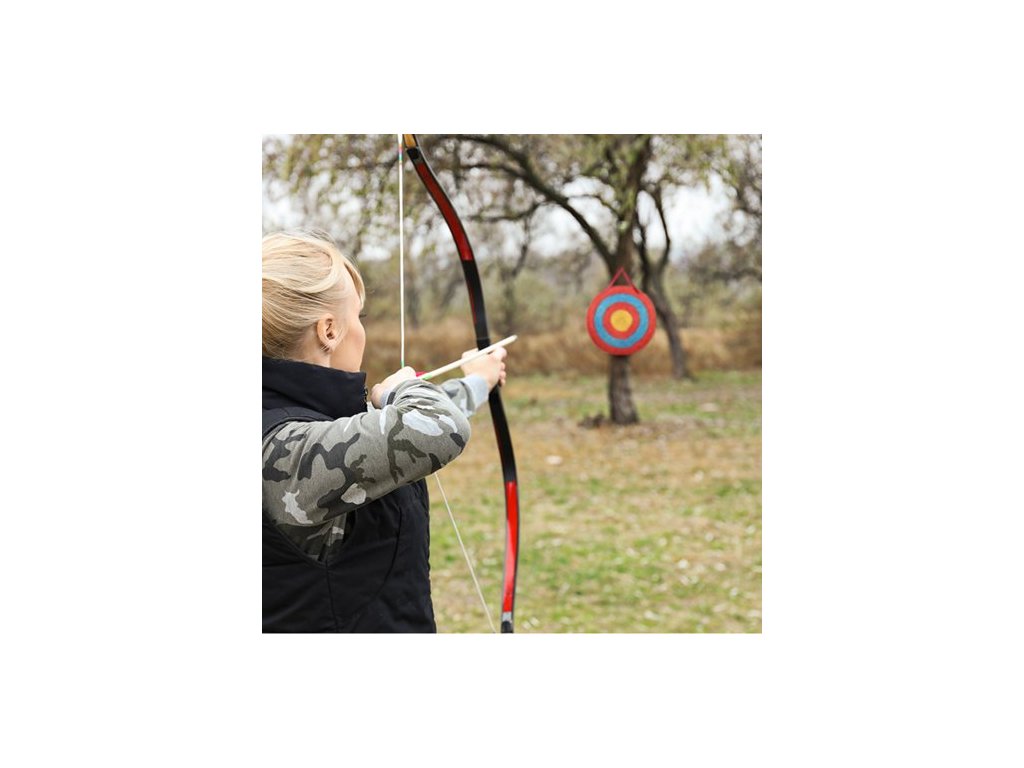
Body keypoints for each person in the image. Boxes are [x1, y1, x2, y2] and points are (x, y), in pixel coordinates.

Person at [262, 231, 507, 633]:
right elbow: (435, 426)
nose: (362, 330)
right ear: (328, 330)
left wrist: (479, 380)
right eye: (358, 317)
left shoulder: (300, 425)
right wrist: (400, 390)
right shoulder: (282, 451)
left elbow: (386, 432)